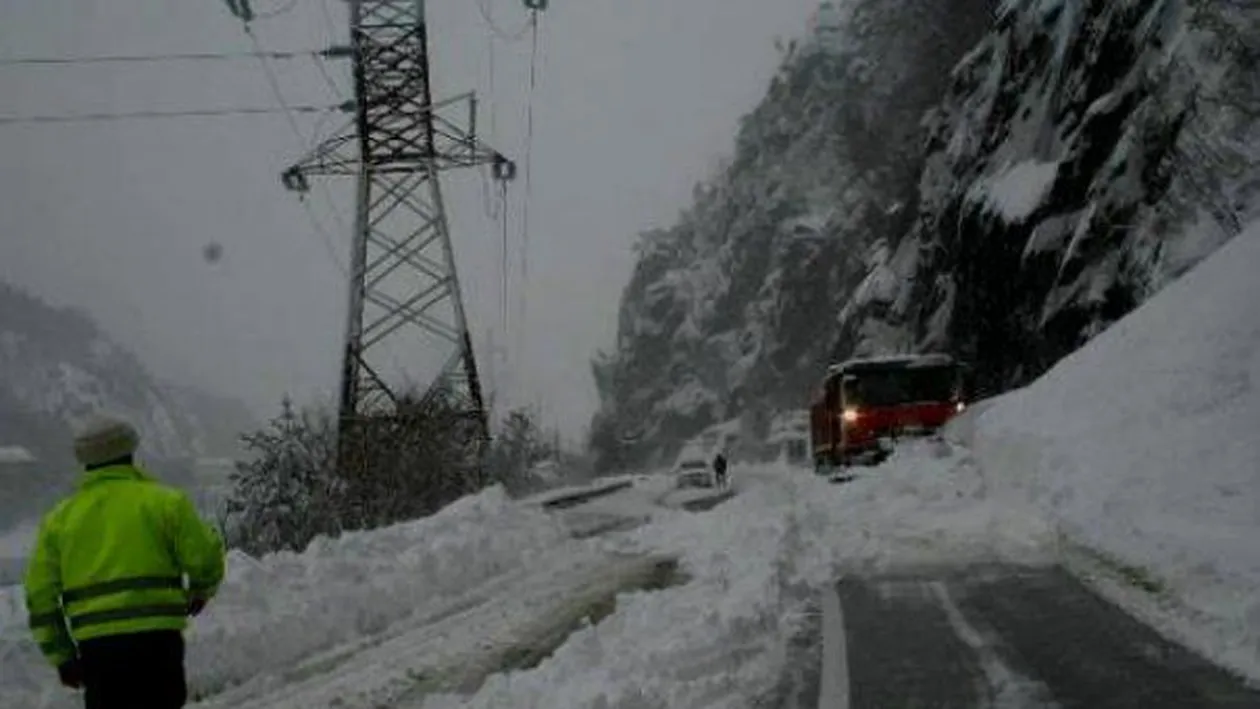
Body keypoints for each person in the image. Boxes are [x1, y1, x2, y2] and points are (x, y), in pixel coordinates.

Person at [24, 415, 226, 709]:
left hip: (98, 651)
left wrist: (62, 656)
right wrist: (200, 590)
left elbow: (39, 595)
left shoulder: (59, 521)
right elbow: (205, 555)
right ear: (131, 451)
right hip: (158, 642)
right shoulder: (166, 503)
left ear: (84, 460)